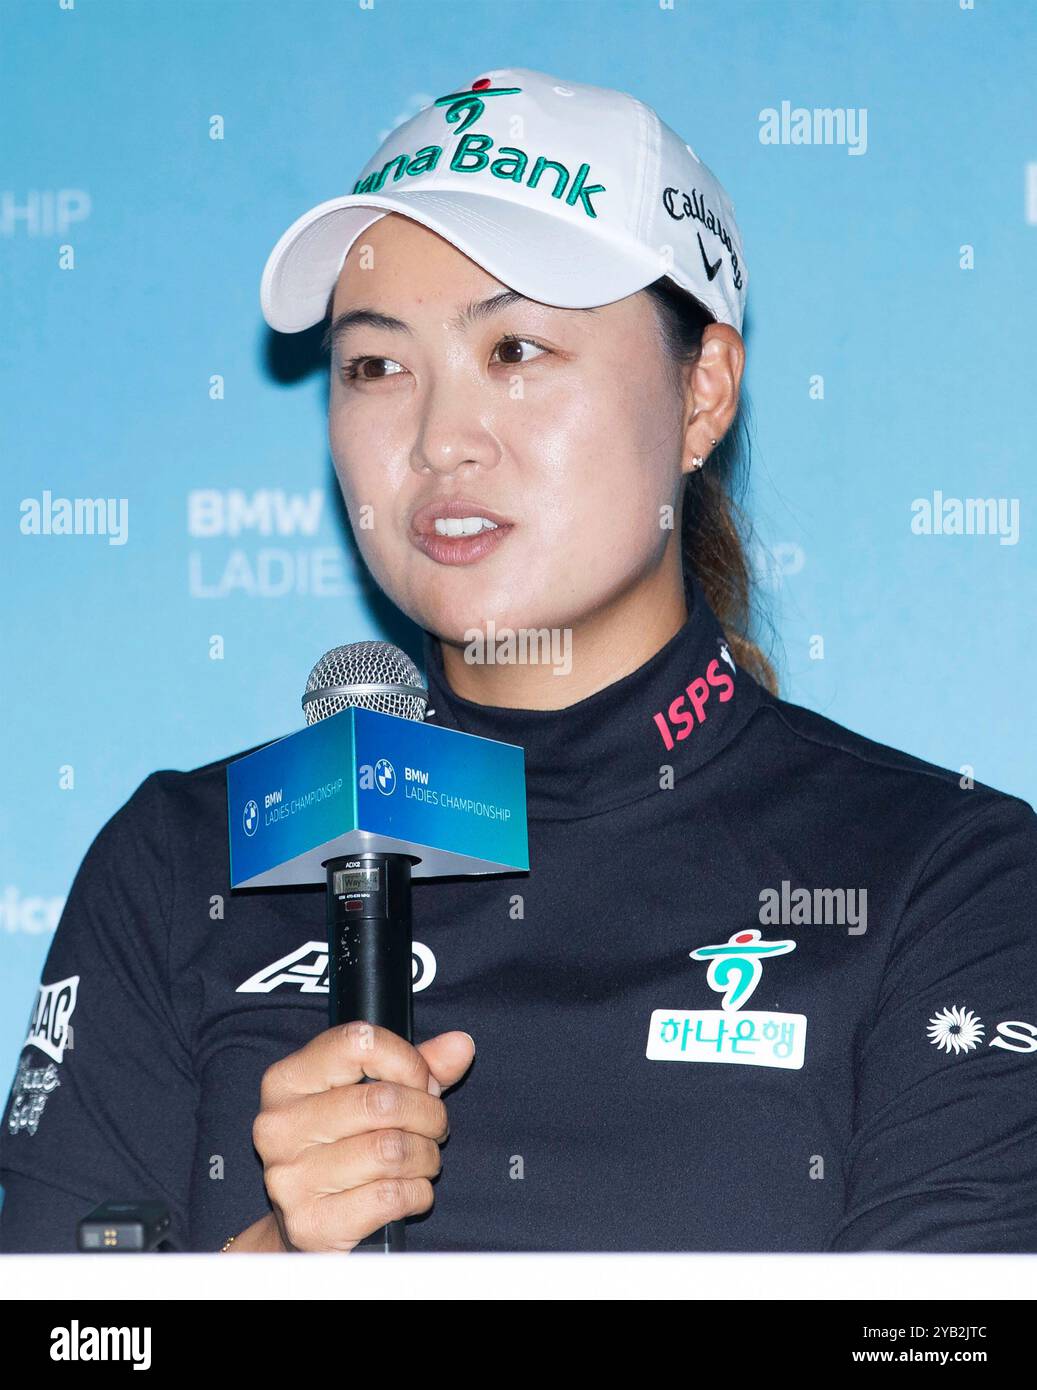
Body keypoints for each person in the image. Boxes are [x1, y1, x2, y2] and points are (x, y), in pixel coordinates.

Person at [2, 66, 1036, 1255]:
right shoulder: (183, 858)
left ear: (701, 394)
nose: (440, 437)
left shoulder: (936, 871)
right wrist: (269, 1273)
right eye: (375, 366)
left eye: (516, 350)